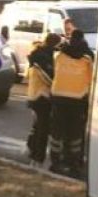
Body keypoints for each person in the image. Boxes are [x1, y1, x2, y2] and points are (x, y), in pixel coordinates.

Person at [50, 29, 94, 178]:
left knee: (57, 131)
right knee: (75, 133)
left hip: (59, 96)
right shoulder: (88, 57)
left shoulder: (59, 53)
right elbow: (91, 79)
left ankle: (55, 162)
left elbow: (55, 68)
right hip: (77, 97)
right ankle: (74, 163)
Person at [24, 32, 62, 166]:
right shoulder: (44, 57)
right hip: (43, 96)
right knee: (43, 128)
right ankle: (38, 157)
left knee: (37, 125)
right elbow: (48, 76)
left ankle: (31, 148)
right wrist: (57, 86)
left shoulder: (35, 54)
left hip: (34, 94)